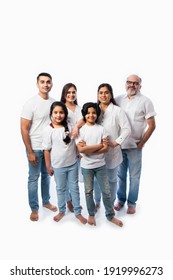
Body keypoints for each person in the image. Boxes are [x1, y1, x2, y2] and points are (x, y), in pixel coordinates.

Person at [114, 74, 156, 214]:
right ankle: (120, 200)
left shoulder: (145, 101)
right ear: (125, 84)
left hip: (135, 146)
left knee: (134, 177)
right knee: (120, 175)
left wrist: (142, 143)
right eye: (129, 82)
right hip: (119, 146)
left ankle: (132, 203)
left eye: (135, 83)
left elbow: (152, 125)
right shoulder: (118, 99)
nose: (131, 85)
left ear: (140, 86)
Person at [76, 102, 123, 227]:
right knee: (88, 191)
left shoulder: (102, 129)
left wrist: (88, 148)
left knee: (106, 191)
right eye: (88, 113)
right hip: (86, 167)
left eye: (94, 113)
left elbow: (106, 149)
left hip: (101, 166)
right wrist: (99, 146)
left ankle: (110, 215)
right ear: (84, 115)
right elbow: (81, 150)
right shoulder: (81, 131)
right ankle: (91, 214)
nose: (91, 115)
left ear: (97, 115)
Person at [42, 101, 87, 224]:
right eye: (55, 112)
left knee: (74, 188)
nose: (58, 115)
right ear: (51, 114)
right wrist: (48, 166)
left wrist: (80, 153)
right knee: (60, 189)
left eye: (61, 112)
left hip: (72, 164)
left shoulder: (71, 126)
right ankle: (62, 210)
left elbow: (76, 141)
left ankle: (77, 211)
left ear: (65, 114)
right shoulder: (48, 129)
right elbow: (46, 150)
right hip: (58, 166)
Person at [20, 72, 57, 222]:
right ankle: (34, 208)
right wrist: (29, 151)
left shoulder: (54, 102)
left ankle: (46, 201)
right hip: (35, 147)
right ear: (37, 84)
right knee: (33, 178)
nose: (45, 84)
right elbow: (24, 128)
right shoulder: (30, 103)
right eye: (42, 82)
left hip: (48, 148)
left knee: (46, 175)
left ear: (51, 84)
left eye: (48, 82)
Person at [94, 83, 131, 209]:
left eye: (106, 92)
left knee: (111, 179)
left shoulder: (117, 111)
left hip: (112, 153)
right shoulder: (94, 110)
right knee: (96, 180)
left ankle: (110, 203)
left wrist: (117, 142)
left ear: (111, 95)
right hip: (96, 152)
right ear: (98, 95)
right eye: (101, 92)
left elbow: (126, 129)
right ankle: (97, 202)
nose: (103, 95)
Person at [60, 83, 83, 212]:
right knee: (66, 174)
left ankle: (74, 200)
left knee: (74, 176)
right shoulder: (61, 108)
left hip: (79, 144)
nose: (71, 94)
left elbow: (84, 119)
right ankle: (68, 200)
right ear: (64, 94)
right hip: (66, 145)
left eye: (73, 92)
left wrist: (76, 126)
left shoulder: (79, 108)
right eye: (68, 92)